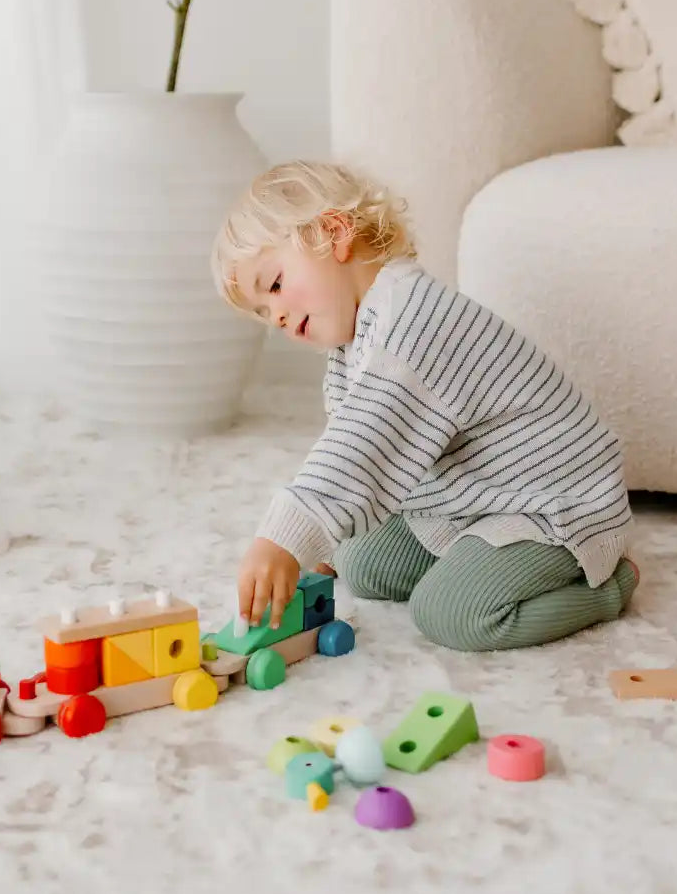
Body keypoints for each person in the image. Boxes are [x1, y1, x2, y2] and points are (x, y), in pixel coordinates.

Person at [210, 161, 638, 652]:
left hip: (551, 507)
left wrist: (284, 538)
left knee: (452, 613)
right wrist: (321, 541)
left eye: (277, 285)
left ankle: (609, 586)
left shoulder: (415, 320)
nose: (279, 316)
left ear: (334, 233)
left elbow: (362, 446)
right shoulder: (358, 339)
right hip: (474, 500)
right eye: (265, 313)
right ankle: (475, 559)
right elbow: (367, 455)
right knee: (361, 562)